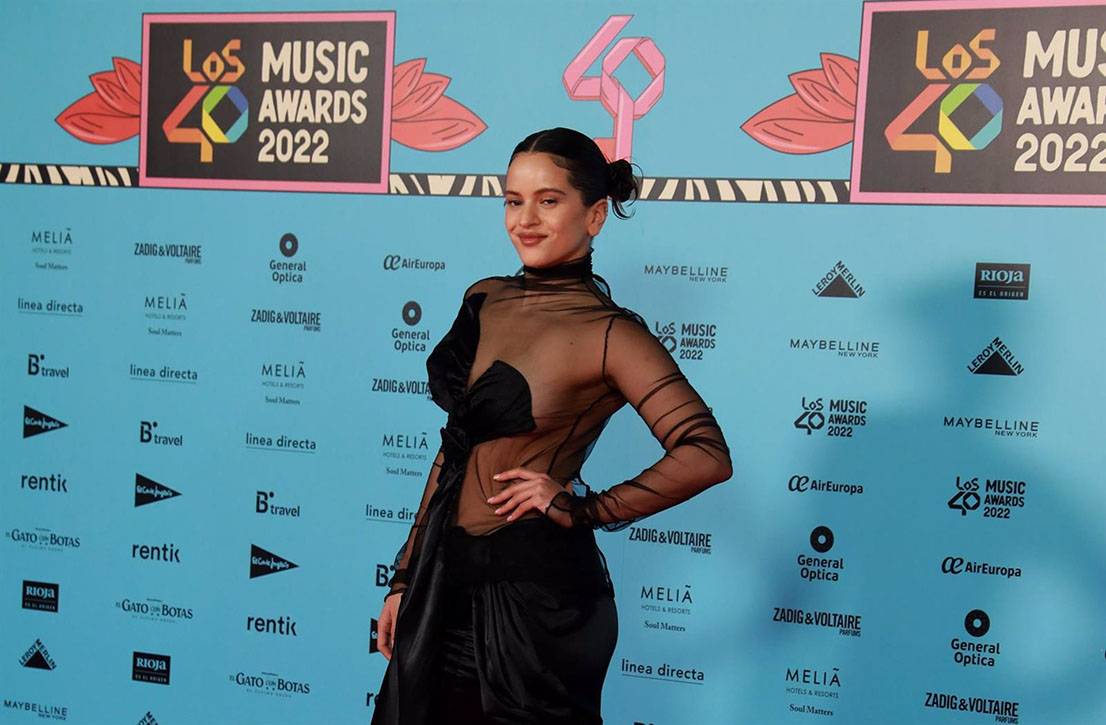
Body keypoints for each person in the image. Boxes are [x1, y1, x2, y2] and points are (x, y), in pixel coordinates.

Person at [372, 127, 732, 724]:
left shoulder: (611, 333)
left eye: (548, 200)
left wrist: (583, 508)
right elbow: (454, 451)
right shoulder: (485, 298)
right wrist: (406, 578)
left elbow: (706, 454)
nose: (526, 220)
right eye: (513, 201)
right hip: (445, 581)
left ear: (595, 215)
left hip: (535, 603)